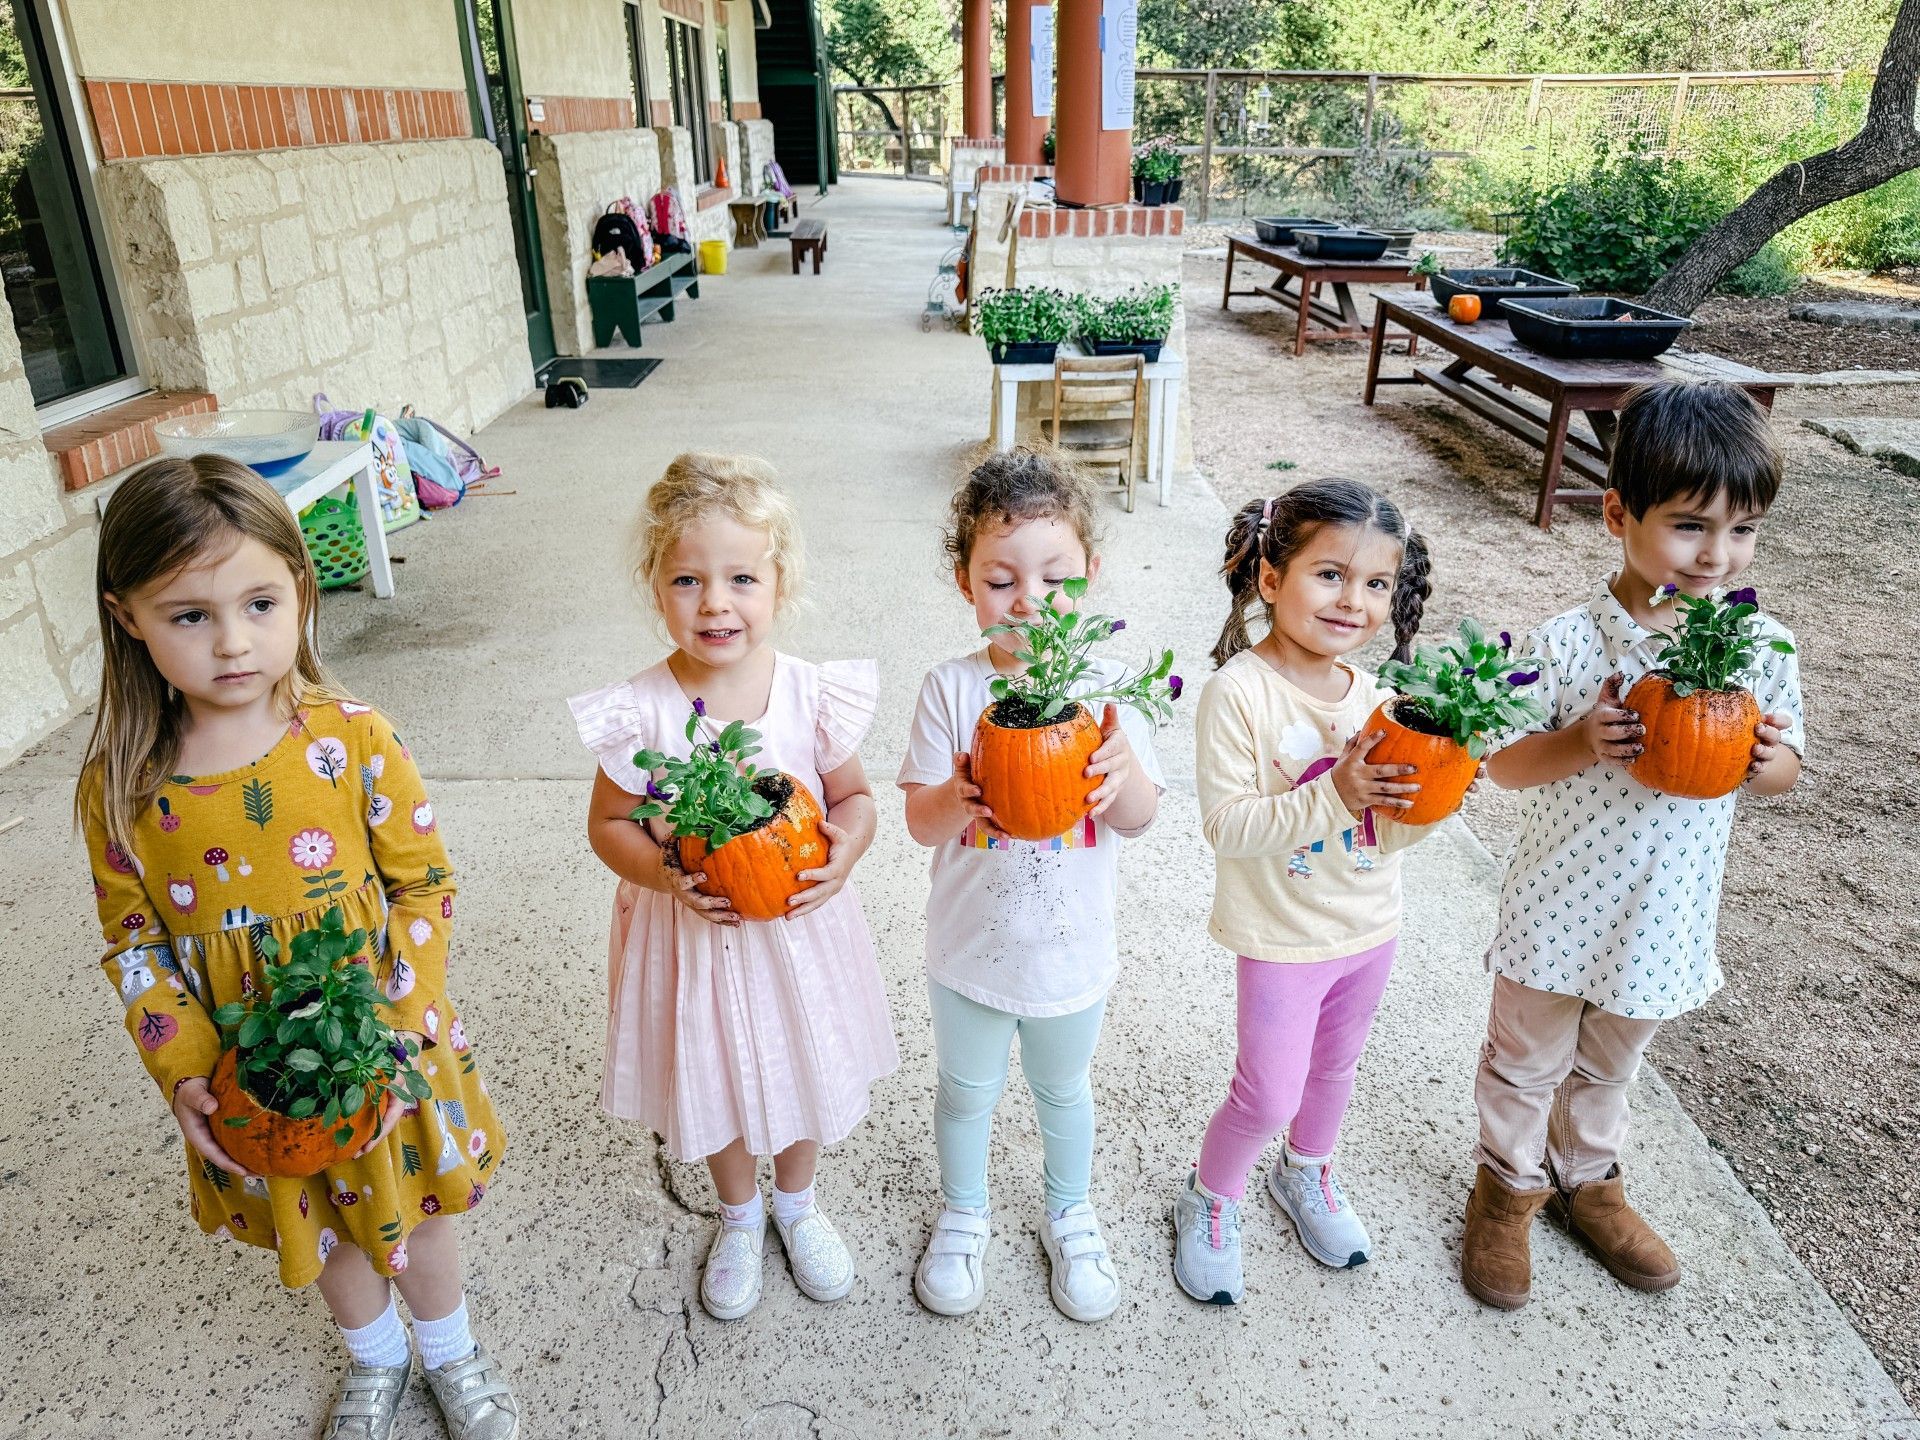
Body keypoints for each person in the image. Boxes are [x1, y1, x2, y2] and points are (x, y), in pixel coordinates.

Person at [78, 455, 515, 1440]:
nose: (233, 641)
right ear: (128, 618)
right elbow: (133, 942)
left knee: (413, 1211)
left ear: (301, 590)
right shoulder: (124, 784)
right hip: (253, 1072)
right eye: (189, 615)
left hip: (378, 1040)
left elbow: (423, 883)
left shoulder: (350, 738)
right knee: (315, 1213)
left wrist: (399, 1021)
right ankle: (378, 1359)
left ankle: (451, 1352)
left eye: (259, 602)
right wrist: (186, 1068)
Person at [1462, 382, 1803, 1310]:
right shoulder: (1570, 644)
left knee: (1612, 1063)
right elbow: (1504, 766)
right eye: (1692, 525)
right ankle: (1505, 1191)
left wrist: (1764, 758)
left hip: (1663, 914)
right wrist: (1578, 742)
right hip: (1558, 904)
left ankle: (1591, 1183)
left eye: (1743, 531)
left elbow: (1784, 773)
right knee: (1526, 1062)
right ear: (1617, 512)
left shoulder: (1760, 648)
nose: (1716, 555)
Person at [570, 452, 896, 1321]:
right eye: (688, 579)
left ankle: (797, 1200)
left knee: (802, 1060)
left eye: (740, 577)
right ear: (656, 587)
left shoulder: (809, 694)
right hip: (694, 935)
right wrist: (665, 874)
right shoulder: (642, 712)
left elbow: (858, 798)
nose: (715, 601)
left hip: (798, 929)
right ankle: (741, 1214)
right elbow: (609, 826)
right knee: (711, 1069)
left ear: (778, 584)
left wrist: (847, 850)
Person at [899, 448, 1165, 1323]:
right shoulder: (952, 689)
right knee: (965, 1092)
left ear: (1090, 575)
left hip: (1071, 951)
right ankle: (964, 1213)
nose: (1027, 601)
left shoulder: (1100, 695)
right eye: (1001, 579)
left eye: (1053, 578)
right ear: (965, 582)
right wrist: (958, 790)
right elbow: (920, 823)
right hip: (971, 951)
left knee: (1063, 1089)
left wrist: (1120, 769)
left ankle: (1069, 1212)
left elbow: (1137, 818)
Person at [1171, 478, 1436, 1306]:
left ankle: (1307, 1173)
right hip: (1282, 937)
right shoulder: (1239, 693)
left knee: (1335, 1071)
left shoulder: (1380, 701)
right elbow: (1229, 828)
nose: (1352, 602)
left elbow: (1391, 832)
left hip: (1369, 924)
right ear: (1270, 578)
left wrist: (1435, 792)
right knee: (1270, 1089)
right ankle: (1211, 1197)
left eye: (1374, 584)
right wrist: (1340, 793)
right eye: (1329, 574)